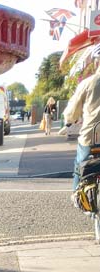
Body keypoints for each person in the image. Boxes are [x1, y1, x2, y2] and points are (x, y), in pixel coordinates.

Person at [64, 43, 100, 190]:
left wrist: (69, 121)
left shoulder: (88, 82)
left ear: (97, 62)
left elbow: (72, 110)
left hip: (92, 136)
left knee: (80, 166)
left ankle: (76, 194)